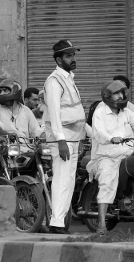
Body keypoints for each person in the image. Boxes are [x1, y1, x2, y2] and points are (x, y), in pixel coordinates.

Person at [86, 80, 134, 235]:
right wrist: (111, 138)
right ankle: (101, 225)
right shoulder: (100, 112)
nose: (120, 96)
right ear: (107, 96)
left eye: (121, 93)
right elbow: (98, 133)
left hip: (128, 152)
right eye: (116, 93)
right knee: (107, 182)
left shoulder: (127, 112)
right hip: (107, 156)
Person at [43, 39, 87, 234]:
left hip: (73, 139)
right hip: (63, 141)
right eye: (68, 56)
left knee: (68, 181)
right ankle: (56, 223)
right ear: (59, 60)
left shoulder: (69, 78)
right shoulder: (54, 81)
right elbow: (54, 114)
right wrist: (60, 140)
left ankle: (60, 222)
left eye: (73, 55)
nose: (73, 59)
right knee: (61, 180)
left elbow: (74, 112)